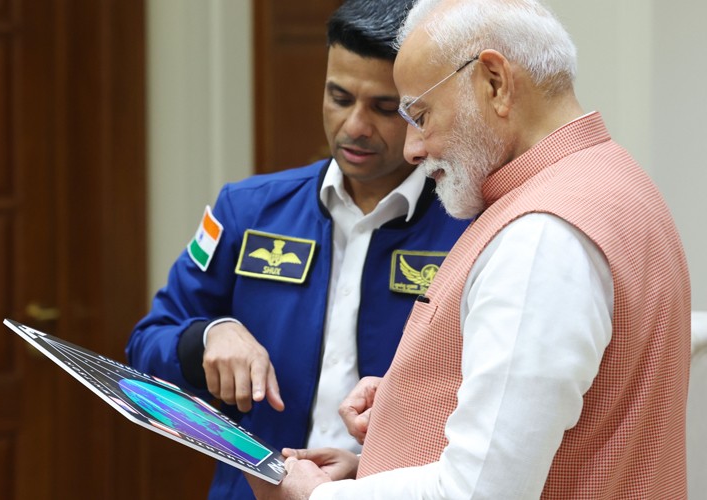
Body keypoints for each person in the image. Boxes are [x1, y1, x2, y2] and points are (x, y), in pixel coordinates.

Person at [250, 0, 692, 498]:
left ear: (495, 84)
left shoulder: (541, 235)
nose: (413, 149)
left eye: (420, 114)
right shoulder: (610, 178)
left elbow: (478, 492)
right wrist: (403, 413)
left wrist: (316, 496)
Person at [125, 0, 470, 498]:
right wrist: (207, 338)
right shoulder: (246, 210)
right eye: (339, 96)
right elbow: (145, 347)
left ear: (422, 107)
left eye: (384, 107)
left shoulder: (469, 227)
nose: (354, 126)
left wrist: (368, 465)